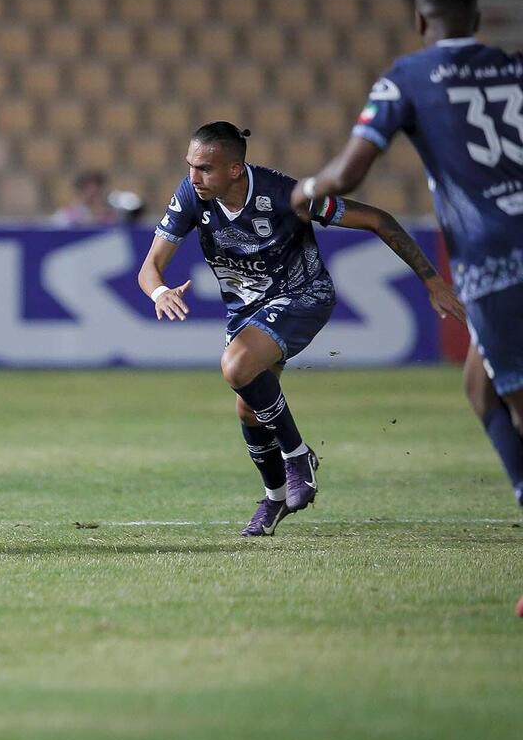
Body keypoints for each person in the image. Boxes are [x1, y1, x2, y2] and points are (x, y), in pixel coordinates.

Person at [139, 122, 464, 536]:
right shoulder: (191, 196)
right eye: (190, 166)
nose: (193, 177)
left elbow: (378, 219)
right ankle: (274, 499)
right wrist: (160, 292)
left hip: (303, 295)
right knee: (249, 407)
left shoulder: (286, 197)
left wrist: (431, 280)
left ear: (235, 169)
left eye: (204, 168)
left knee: (236, 367)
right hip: (247, 310)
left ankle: (298, 456)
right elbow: (150, 267)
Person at [291, 0, 523, 510]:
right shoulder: (513, 68)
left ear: (420, 19)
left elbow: (346, 176)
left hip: (496, 257)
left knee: (515, 397)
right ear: (478, 14)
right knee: (480, 386)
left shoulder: (408, 78)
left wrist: (304, 191)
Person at [52, 169, 125, 227]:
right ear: (79, 190)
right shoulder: (64, 217)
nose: (93, 191)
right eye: (87, 188)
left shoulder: (114, 216)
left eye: (97, 187)